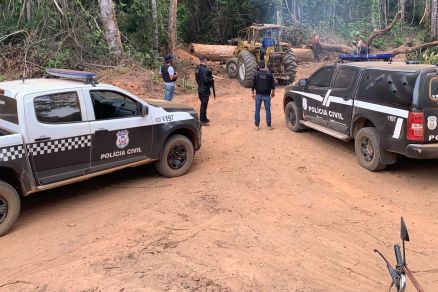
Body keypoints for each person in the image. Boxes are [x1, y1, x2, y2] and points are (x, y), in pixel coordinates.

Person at [252, 60, 275, 130]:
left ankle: (256, 126)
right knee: (268, 110)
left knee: (257, 110)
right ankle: (268, 126)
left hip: (258, 95)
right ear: (265, 66)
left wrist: (252, 93)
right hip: (267, 95)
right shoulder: (269, 74)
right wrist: (273, 93)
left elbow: (253, 85)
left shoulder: (256, 74)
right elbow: (273, 85)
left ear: (258, 66)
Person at [195, 55, 214, 126]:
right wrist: (211, 80)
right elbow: (206, 81)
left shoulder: (197, 68)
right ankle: (202, 120)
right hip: (204, 89)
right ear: (205, 60)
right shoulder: (205, 70)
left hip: (200, 88)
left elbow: (197, 79)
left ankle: (204, 118)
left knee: (204, 104)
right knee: (203, 105)